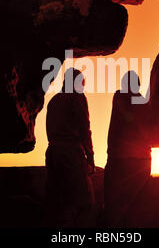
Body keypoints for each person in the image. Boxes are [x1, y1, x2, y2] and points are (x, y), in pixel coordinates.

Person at [45, 68, 95, 227]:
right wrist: (90, 156)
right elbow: (84, 128)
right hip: (70, 153)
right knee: (83, 201)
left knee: (58, 202)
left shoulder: (54, 101)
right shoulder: (76, 98)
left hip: (52, 152)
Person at [104, 71, 151, 227]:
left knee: (116, 201)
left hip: (121, 157)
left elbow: (124, 119)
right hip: (140, 158)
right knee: (138, 203)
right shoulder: (142, 101)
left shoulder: (120, 96)